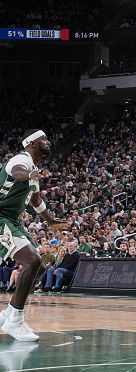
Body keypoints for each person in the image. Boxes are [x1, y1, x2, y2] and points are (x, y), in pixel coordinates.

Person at [0, 129, 67, 342]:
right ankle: (15, 320)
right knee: (33, 260)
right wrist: (29, 174)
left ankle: (9, 314)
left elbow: (35, 201)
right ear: (32, 143)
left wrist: (51, 221)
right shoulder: (22, 160)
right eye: (44, 139)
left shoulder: (34, 169)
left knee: (38, 264)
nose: (48, 142)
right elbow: (15, 171)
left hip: (11, 220)